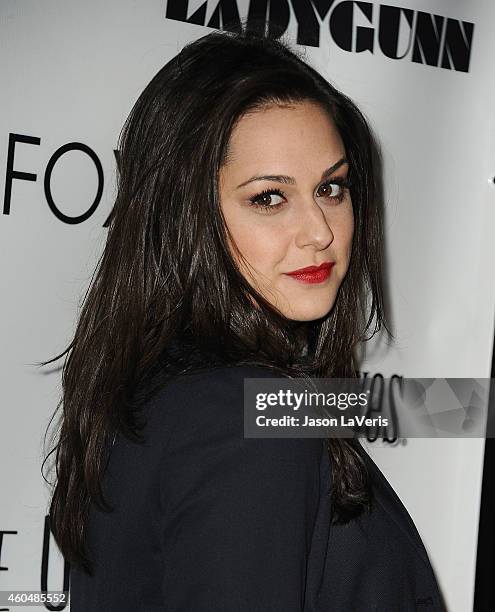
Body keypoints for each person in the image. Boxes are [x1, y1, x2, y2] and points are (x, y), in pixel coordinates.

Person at [42, 28, 445, 611]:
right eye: (269, 198)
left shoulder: (166, 399)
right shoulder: (243, 419)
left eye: (331, 187)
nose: (320, 232)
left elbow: (422, 406)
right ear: (186, 214)